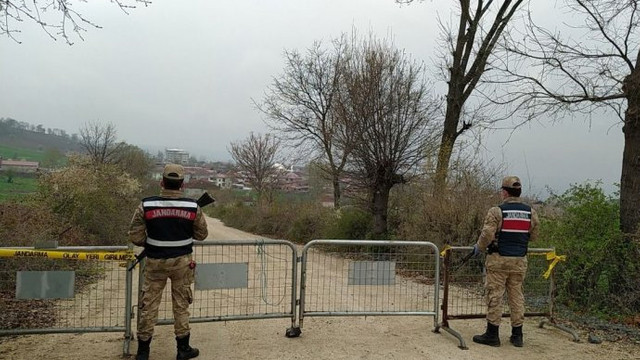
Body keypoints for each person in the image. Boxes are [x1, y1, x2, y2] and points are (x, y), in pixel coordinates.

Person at [128, 163, 209, 360]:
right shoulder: (192, 207)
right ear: (182, 185)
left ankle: (143, 352)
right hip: (182, 263)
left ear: (162, 182)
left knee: (149, 306)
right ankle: (183, 349)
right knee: (181, 305)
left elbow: (135, 237)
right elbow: (202, 234)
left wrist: (154, 238)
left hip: (155, 262)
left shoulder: (146, 205)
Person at [471, 175, 539, 348]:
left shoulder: (497, 211)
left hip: (498, 261)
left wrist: (479, 247)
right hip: (519, 261)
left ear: (504, 192)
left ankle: (492, 335)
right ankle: (517, 336)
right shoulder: (530, 212)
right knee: (517, 297)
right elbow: (534, 236)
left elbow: (487, 234)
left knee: (495, 295)